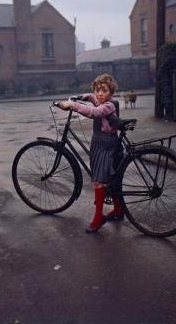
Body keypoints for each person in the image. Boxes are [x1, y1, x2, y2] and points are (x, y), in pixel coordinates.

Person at [59, 73, 124, 233]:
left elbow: (93, 113)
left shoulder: (109, 105)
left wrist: (72, 105)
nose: (100, 94)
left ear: (111, 93)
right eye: (97, 90)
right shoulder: (99, 99)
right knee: (111, 178)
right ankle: (118, 209)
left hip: (105, 145)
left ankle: (98, 218)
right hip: (101, 144)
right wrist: (79, 97)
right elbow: (90, 97)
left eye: (104, 90)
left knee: (99, 180)